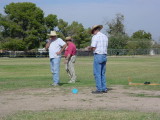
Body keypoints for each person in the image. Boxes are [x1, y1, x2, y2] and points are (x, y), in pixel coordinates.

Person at [89, 25, 108, 94]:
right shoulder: (105, 36)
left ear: (94, 30)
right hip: (104, 56)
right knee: (102, 73)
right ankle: (104, 88)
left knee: (97, 73)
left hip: (98, 55)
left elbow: (93, 47)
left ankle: (99, 89)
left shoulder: (95, 37)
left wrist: (89, 48)